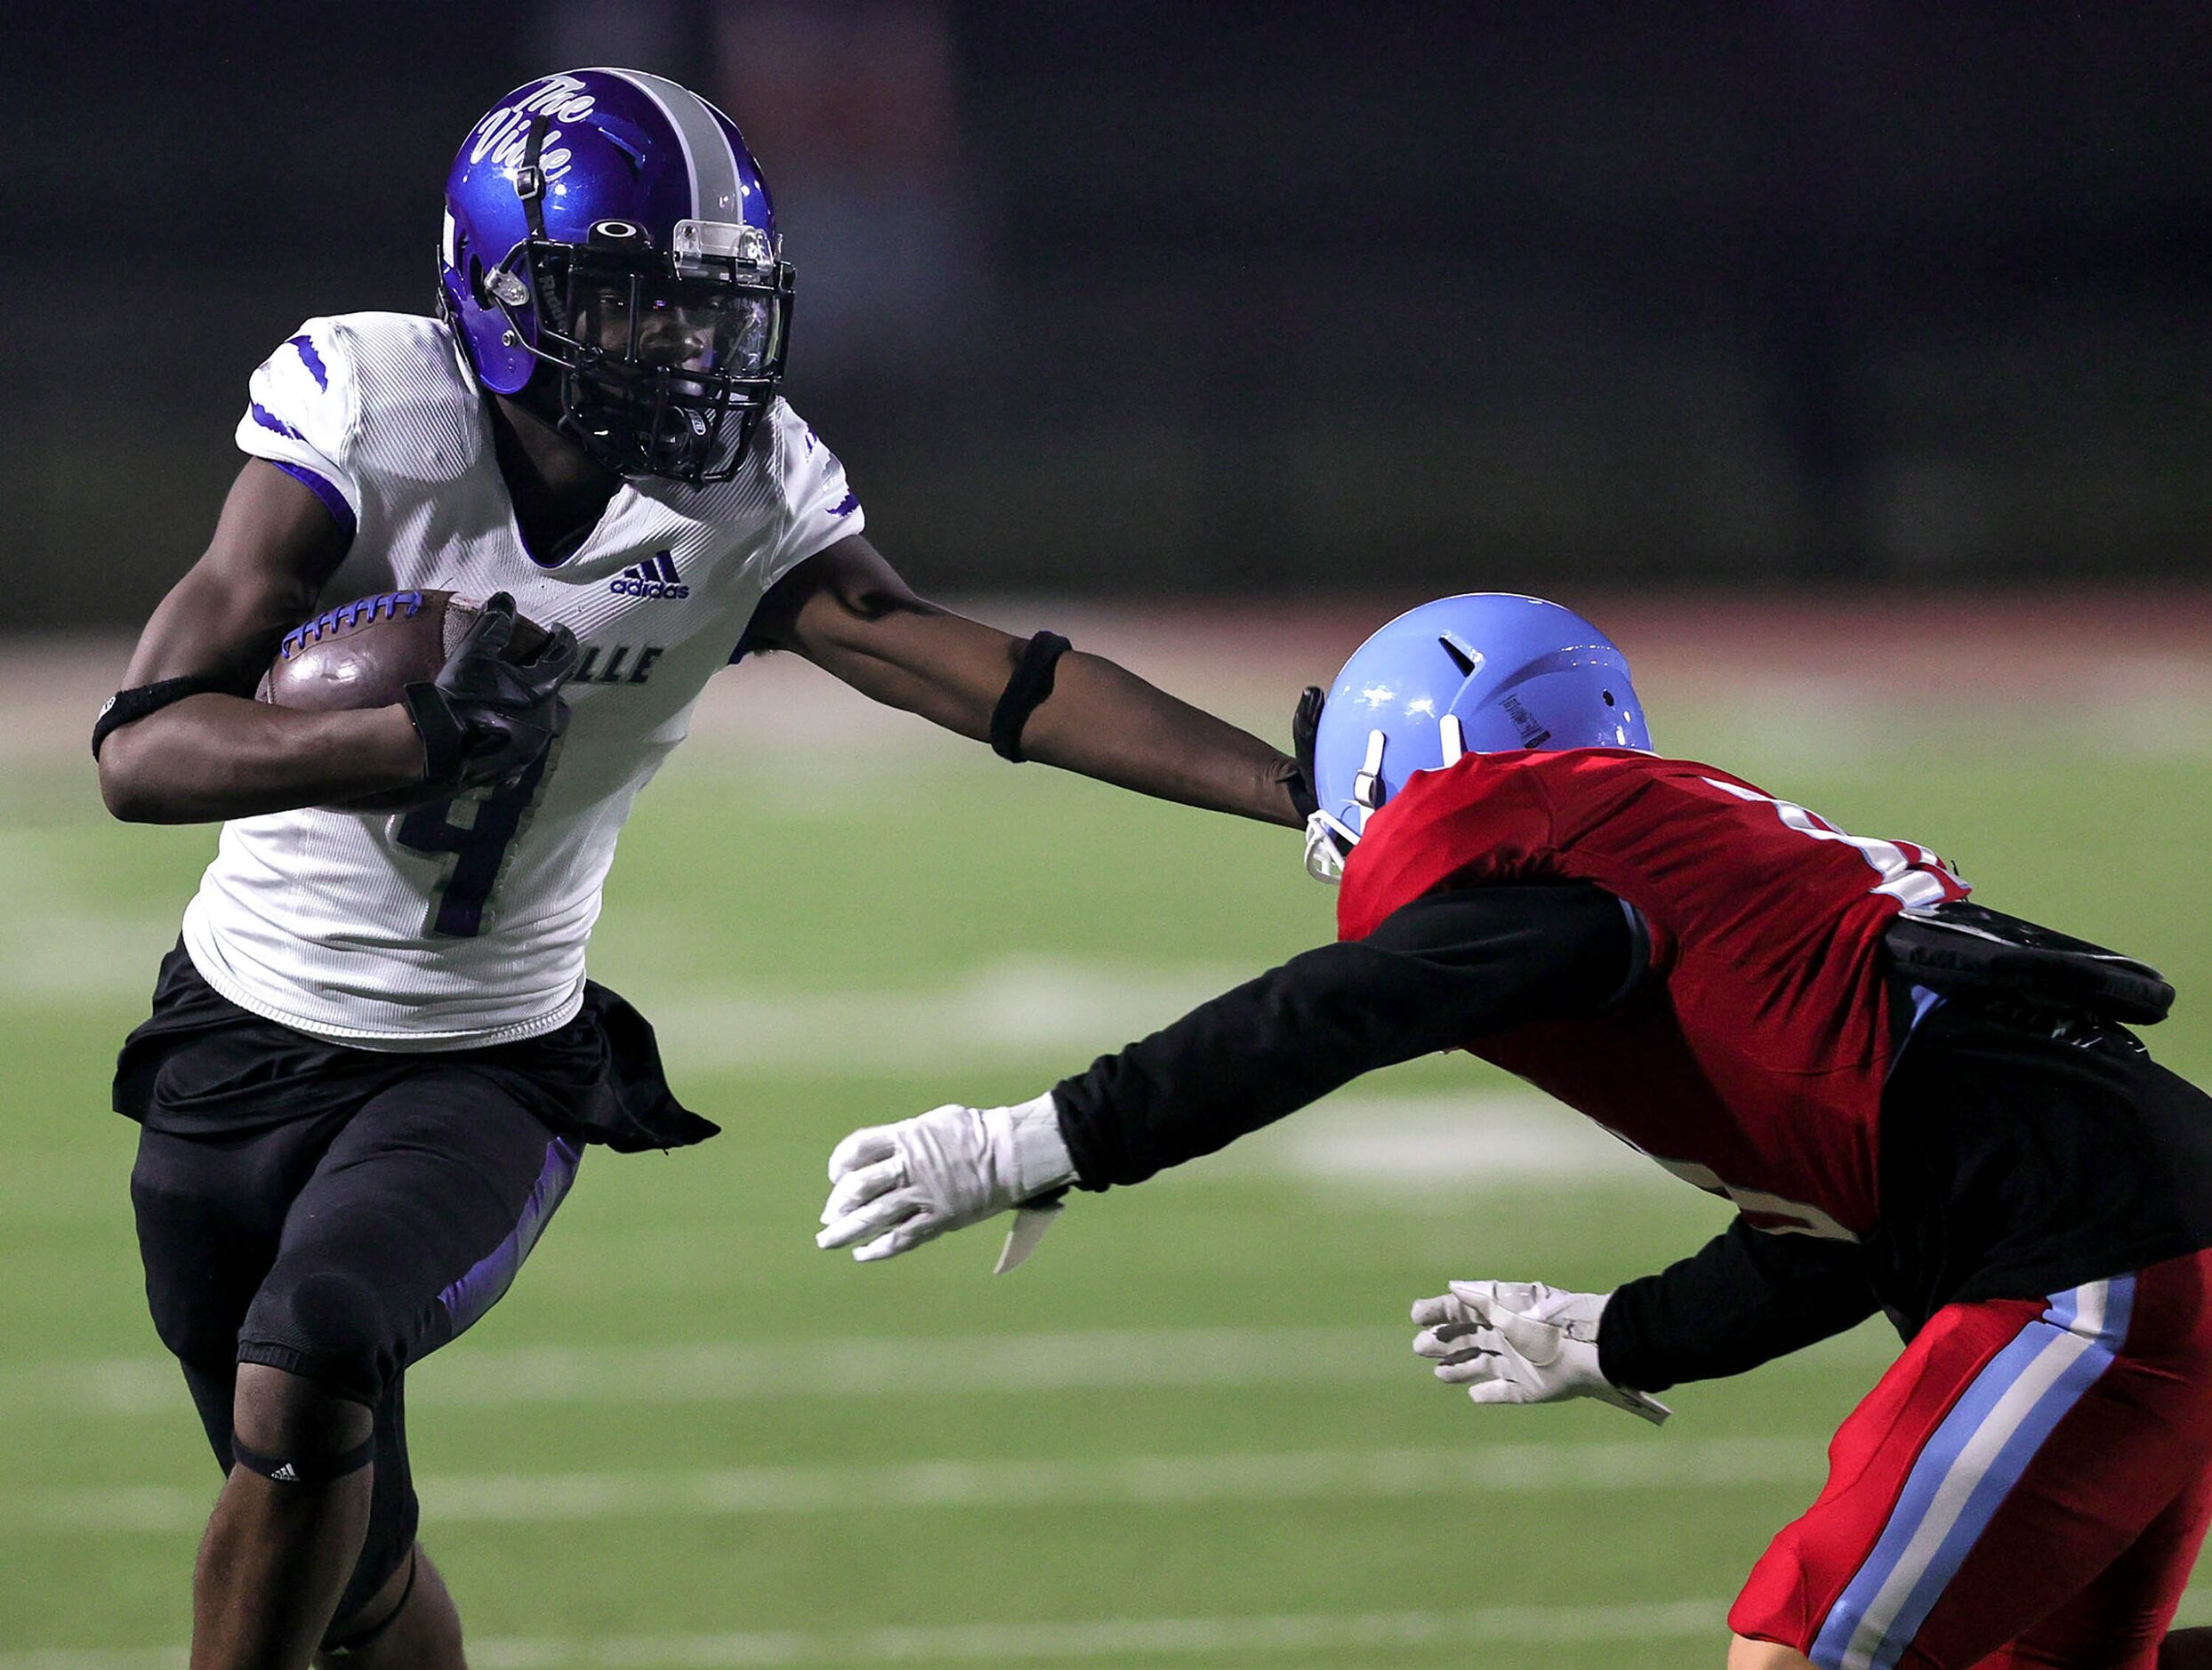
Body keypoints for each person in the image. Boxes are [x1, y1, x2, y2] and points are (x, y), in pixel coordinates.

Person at [94, 68, 1310, 1670]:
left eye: (705, 307)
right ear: (508, 292)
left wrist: (1295, 790)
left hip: (482, 1063)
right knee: (359, 1559)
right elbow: (140, 750)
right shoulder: (374, 414)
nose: (687, 350)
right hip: (233, 1043)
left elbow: (979, 672)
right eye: (635, 303)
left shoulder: (739, 493)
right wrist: (409, 737)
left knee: (312, 1360)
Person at [818, 592, 2212, 1670]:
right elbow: (1850, 1220)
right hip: (2141, 1237)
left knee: (1804, 1638)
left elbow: (1345, 1007)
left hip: (2094, 1269)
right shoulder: (1700, 868)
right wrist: (1620, 1334)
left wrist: (1049, 1138)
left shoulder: (1539, 851)